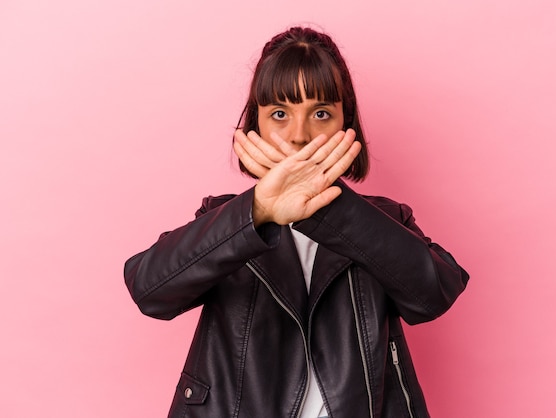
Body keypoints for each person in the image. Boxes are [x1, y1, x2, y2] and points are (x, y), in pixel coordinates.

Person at [124, 26, 469, 418]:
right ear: (255, 125)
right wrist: (257, 212)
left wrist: (327, 210)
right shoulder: (223, 219)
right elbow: (148, 289)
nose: (300, 135)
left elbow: (435, 293)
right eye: (279, 114)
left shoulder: (385, 220)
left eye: (321, 113)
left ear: (346, 124)